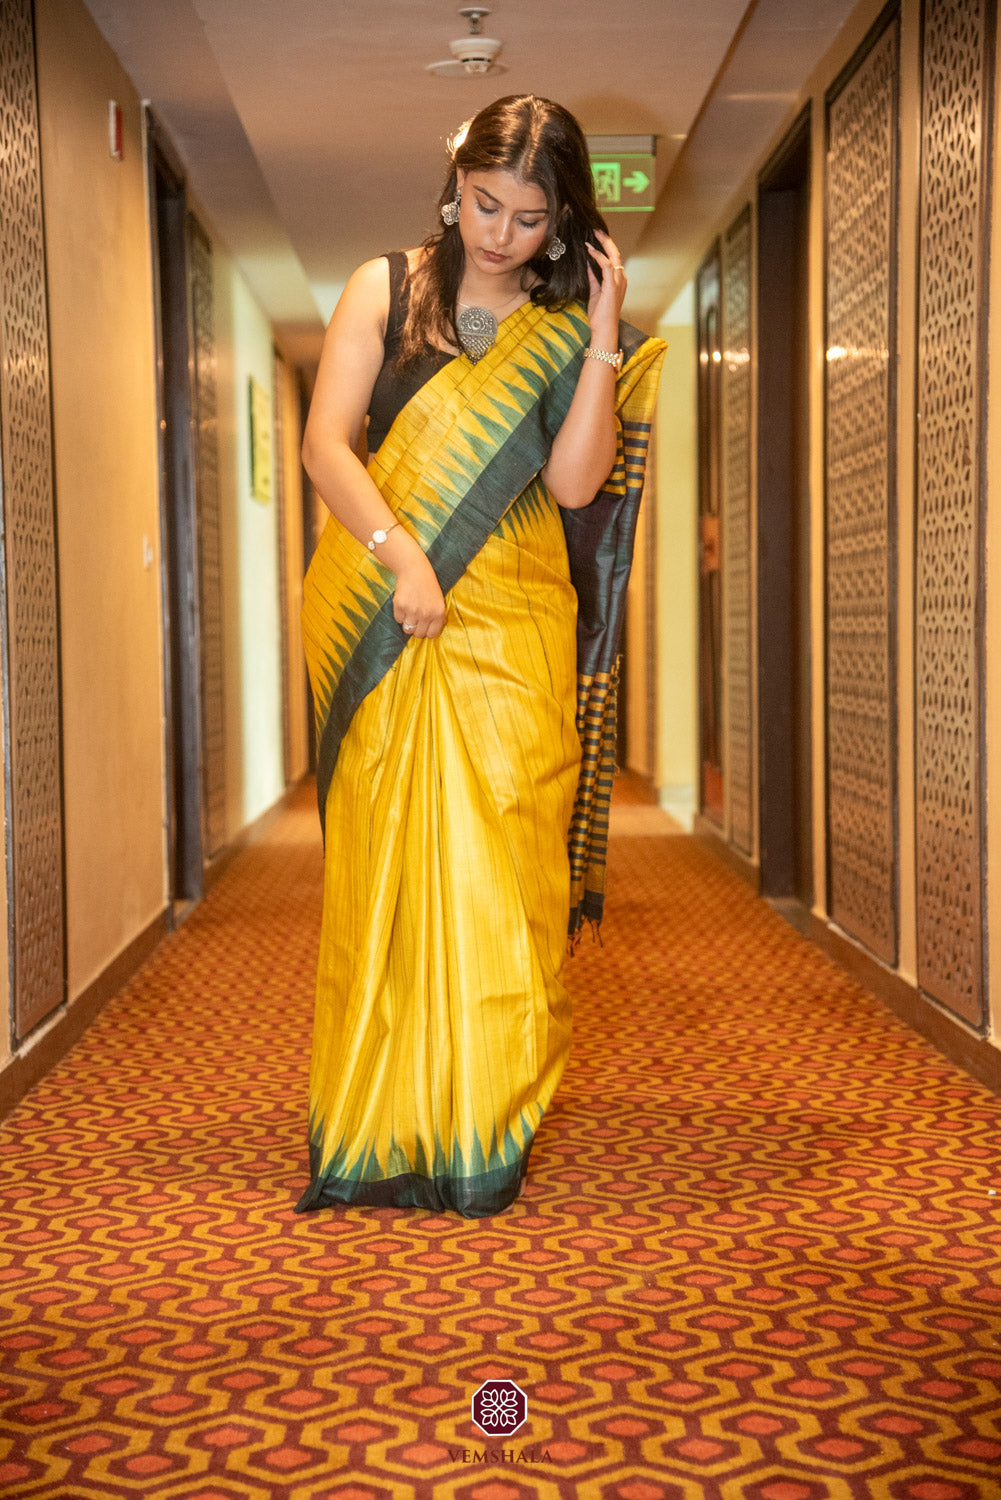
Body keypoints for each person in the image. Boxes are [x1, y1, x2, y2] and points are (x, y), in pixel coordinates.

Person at [294, 95, 665, 1218]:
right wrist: (402, 557)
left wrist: (602, 332)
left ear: (564, 222)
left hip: (511, 623)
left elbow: (573, 483)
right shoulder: (383, 287)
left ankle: (479, 1128)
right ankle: (376, 1126)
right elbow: (325, 444)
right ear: (454, 186)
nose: (498, 233)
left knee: (503, 870)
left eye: (527, 216)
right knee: (387, 871)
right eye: (482, 202)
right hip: (383, 604)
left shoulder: (561, 326)